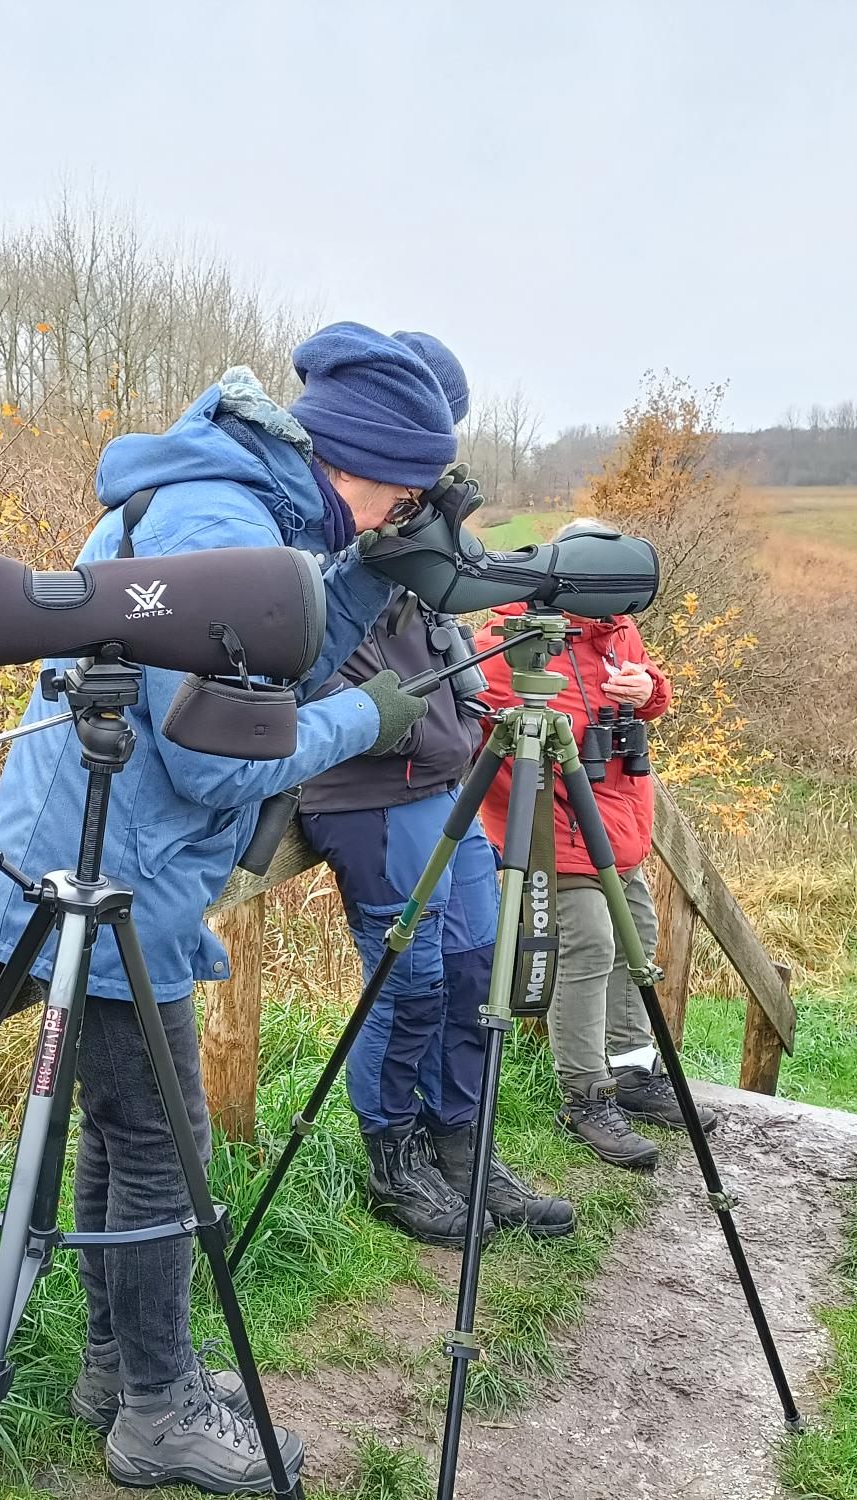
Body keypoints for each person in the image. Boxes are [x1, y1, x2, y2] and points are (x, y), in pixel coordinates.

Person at [0, 322, 446, 1494]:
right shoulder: (215, 524)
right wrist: (363, 720)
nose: (403, 513)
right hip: (109, 890)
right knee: (161, 1158)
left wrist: (368, 578)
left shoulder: (230, 500)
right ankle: (159, 1411)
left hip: (85, 870)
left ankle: (111, 1367)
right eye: (403, 496)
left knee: (120, 1136)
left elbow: (270, 649)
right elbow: (218, 758)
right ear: (360, 464)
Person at [297, 332, 575, 1247]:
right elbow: (309, 671)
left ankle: (463, 1143)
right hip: (369, 796)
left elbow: (457, 621)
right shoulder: (323, 529)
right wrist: (424, 721)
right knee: (408, 979)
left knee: (472, 970)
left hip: (444, 782)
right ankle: (395, 1159)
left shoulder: (410, 527)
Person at [472, 526, 715, 1171]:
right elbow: (500, 737)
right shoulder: (513, 641)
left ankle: (632, 1072)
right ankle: (585, 1095)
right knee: (590, 946)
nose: (618, 604)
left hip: (620, 820)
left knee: (638, 933)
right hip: (557, 826)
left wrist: (649, 690)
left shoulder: (618, 628)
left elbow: (644, 703)